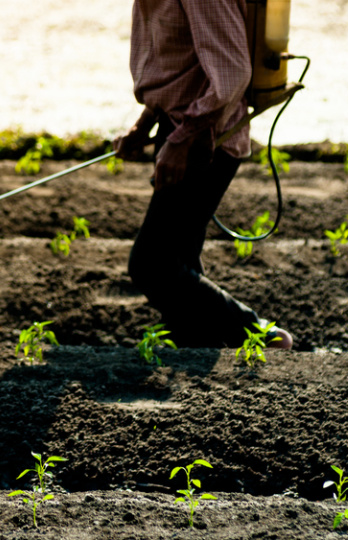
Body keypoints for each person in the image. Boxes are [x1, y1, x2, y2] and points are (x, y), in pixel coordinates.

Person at [112, 0, 293, 349]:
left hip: (206, 139)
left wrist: (180, 142)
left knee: (152, 264)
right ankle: (195, 349)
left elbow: (232, 74)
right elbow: (182, 67)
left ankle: (262, 334)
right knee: (178, 260)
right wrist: (142, 126)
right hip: (180, 130)